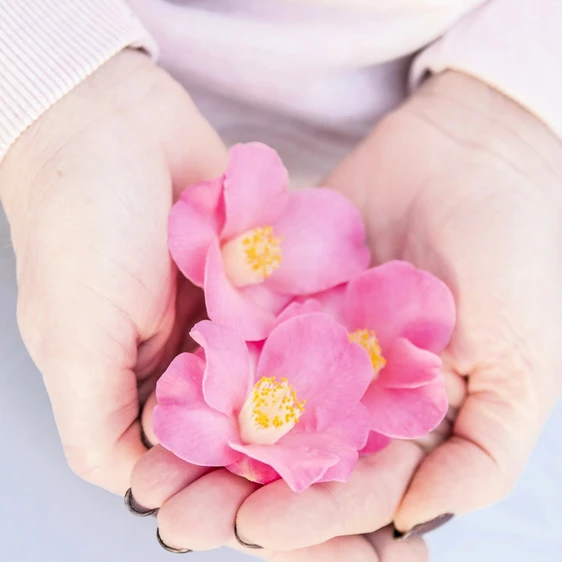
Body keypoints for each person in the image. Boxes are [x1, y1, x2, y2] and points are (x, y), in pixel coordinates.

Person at [1, 0, 561, 559]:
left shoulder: (295, 316)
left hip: (454, 101)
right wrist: (60, 86)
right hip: (107, 168)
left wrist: (523, 113)